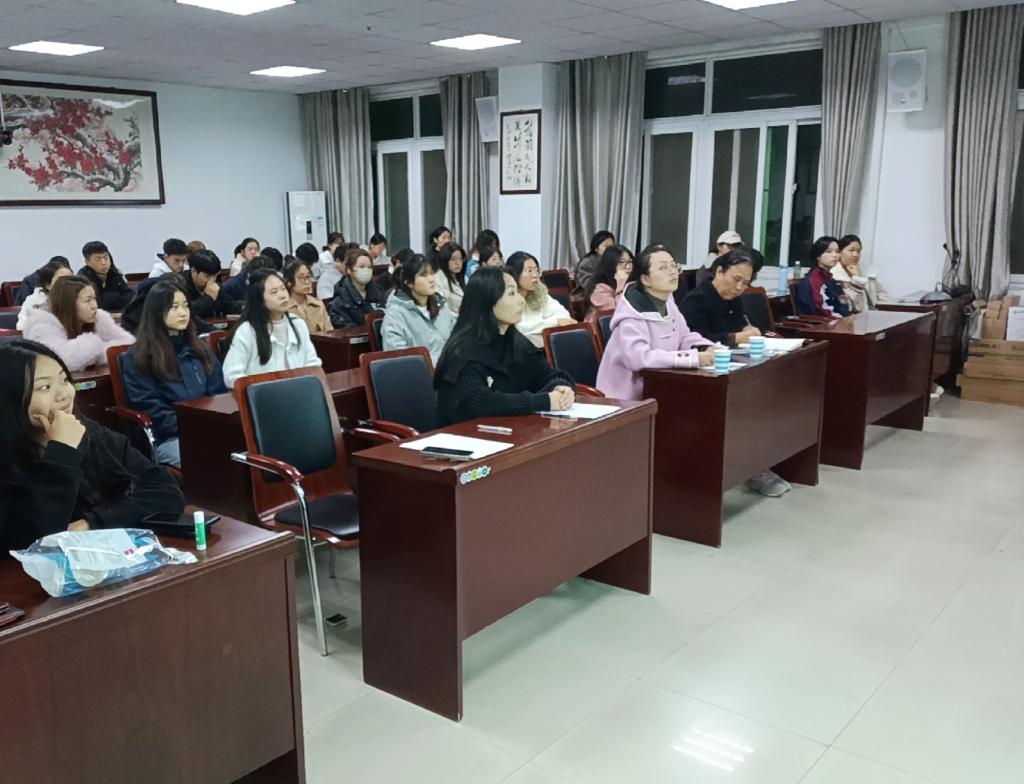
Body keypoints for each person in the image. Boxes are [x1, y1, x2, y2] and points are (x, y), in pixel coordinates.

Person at [0, 339, 186, 552]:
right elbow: (29, 540)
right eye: (45, 387)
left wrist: (89, 524)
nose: (64, 394)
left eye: (64, 380)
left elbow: (166, 489)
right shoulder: (7, 458)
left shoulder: (91, 432)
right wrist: (62, 453)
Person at [434, 268, 576, 425]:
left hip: (510, 431)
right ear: (488, 300)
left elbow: (549, 375)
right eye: (511, 293)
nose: (521, 300)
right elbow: (476, 402)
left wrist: (560, 389)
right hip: (465, 435)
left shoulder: (515, 341)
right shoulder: (463, 350)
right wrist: (543, 401)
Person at [121, 281, 227, 468]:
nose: (183, 313)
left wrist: (214, 427)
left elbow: (218, 394)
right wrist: (196, 428)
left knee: (244, 457)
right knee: (211, 464)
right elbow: (152, 409)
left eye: (185, 306)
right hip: (171, 437)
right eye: (174, 307)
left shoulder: (201, 349)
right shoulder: (139, 357)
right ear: (156, 311)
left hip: (211, 431)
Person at [596, 244, 716, 400]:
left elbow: (684, 337)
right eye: (663, 268)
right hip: (626, 397)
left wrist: (709, 347)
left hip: (661, 387)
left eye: (673, 266)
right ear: (645, 279)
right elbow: (638, 358)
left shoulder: (668, 302)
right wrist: (692, 358)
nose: (672, 272)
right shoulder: (632, 312)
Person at [222, 269, 322, 388]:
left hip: (299, 392)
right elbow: (231, 376)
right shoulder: (247, 331)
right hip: (264, 395)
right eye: (274, 292)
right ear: (260, 299)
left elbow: (313, 363)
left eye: (283, 289)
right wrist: (259, 389)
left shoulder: (298, 324)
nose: (282, 295)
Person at [22, 275, 134, 372]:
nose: (94, 306)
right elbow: (60, 360)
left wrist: (98, 353)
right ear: (69, 304)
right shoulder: (42, 325)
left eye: (94, 299)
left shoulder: (99, 318)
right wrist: (95, 346)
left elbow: (129, 343)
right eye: (87, 300)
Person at [381, 253, 456, 364]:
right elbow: (399, 359)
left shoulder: (441, 304)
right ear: (409, 282)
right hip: (421, 371)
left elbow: (456, 337)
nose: (431, 279)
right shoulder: (395, 315)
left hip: (451, 368)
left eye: (432, 273)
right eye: (424, 275)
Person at [681, 249, 763, 347]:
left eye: (745, 283)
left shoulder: (733, 298)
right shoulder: (695, 300)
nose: (739, 287)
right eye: (736, 279)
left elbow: (740, 324)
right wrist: (734, 338)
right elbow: (693, 341)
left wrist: (747, 329)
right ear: (719, 271)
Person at [506, 251, 575, 348]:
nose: (535, 275)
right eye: (530, 271)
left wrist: (539, 330)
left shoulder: (539, 293)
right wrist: (554, 323)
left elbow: (564, 316)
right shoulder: (505, 298)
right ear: (515, 274)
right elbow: (518, 329)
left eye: (537, 270)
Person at [328, 247, 387, 328]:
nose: (366, 270)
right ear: (349, 270)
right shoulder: (340, 301)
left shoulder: (379, 292)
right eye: (361, 267)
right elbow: (346, 329)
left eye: (369, 267)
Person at [796, 236, 851, 320]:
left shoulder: (830, 278)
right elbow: (821, 311)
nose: (835, 255)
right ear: (818, 256)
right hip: (823, 325)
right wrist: (844, 320)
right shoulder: (814, 280)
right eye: (829, 251)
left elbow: (842, 305)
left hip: (839, 321)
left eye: (837, 251)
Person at [832, 234, 888, 313]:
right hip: (851, 316)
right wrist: (857, 278)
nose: (855, 254)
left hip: (873, 315)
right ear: (840, 252)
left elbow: (883, 296)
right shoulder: (834, 275)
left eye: (858, 251)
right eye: (851, 250)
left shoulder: (868, 272)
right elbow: (853, 304)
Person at [17, 258, 72, 330]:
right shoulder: (34, 301)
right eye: (62, 279)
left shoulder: (77, 299)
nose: (69, 283)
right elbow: (22, 327)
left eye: (71, 279)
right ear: (48, 285)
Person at [583, 244, 633, 325]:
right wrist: (621, 285)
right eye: (622, 262)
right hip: (602, 330)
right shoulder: (599, 289)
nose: (628, 266)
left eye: (630, 262)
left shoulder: (631, 283)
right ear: (610, 264)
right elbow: (617, 314)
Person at [181, 249, 238, 319]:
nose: (211, 280)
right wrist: (208, 298)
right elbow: (185, 311)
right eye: (207, 276)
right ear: (194, 270)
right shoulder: (180, 285)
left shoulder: (215, 285)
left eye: (214, 275)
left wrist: (245, 307)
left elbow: (230, 305)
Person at [77, 241, 133, 311]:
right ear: (87, 261)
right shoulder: (82, 279)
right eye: (98, 259)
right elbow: (98, 304)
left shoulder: (114, 274)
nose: (103, 263)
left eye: (106, 258)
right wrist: (115, 298)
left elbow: (130, 296)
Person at [282, 258, 332, 335]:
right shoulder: (284, 308)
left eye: (308, 277)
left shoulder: (318, 304)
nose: (307, 282)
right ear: (289, 282)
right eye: (301, 278)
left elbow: (329, 332)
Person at [572, 230, 616, 298]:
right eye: (606, 247)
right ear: (596, 248)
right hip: (587, 298)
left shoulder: (615, 260)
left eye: (612, 247)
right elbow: (589, 286)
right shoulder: (586, 263)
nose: (610, 250)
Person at [434, 242, 467, 314]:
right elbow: (441, 310)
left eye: (460, 258)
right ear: (444, 260)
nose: (458, 263)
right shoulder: (437, 280)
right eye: (453, 259)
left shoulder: (465, 278)